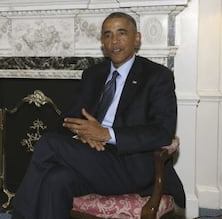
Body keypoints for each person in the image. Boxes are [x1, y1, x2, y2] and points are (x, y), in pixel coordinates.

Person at [11, 12, 185, 219]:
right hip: (92, 159)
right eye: (107, 35)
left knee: (48, 143)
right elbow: (67, 120)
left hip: (131, 167)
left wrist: (106, 134)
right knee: (56, 179)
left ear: (136, 38)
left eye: (122, 33)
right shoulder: (93, 74)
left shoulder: (157, 76)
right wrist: (81, 133)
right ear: (102, 41)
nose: (114, 41)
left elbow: (162, 132)